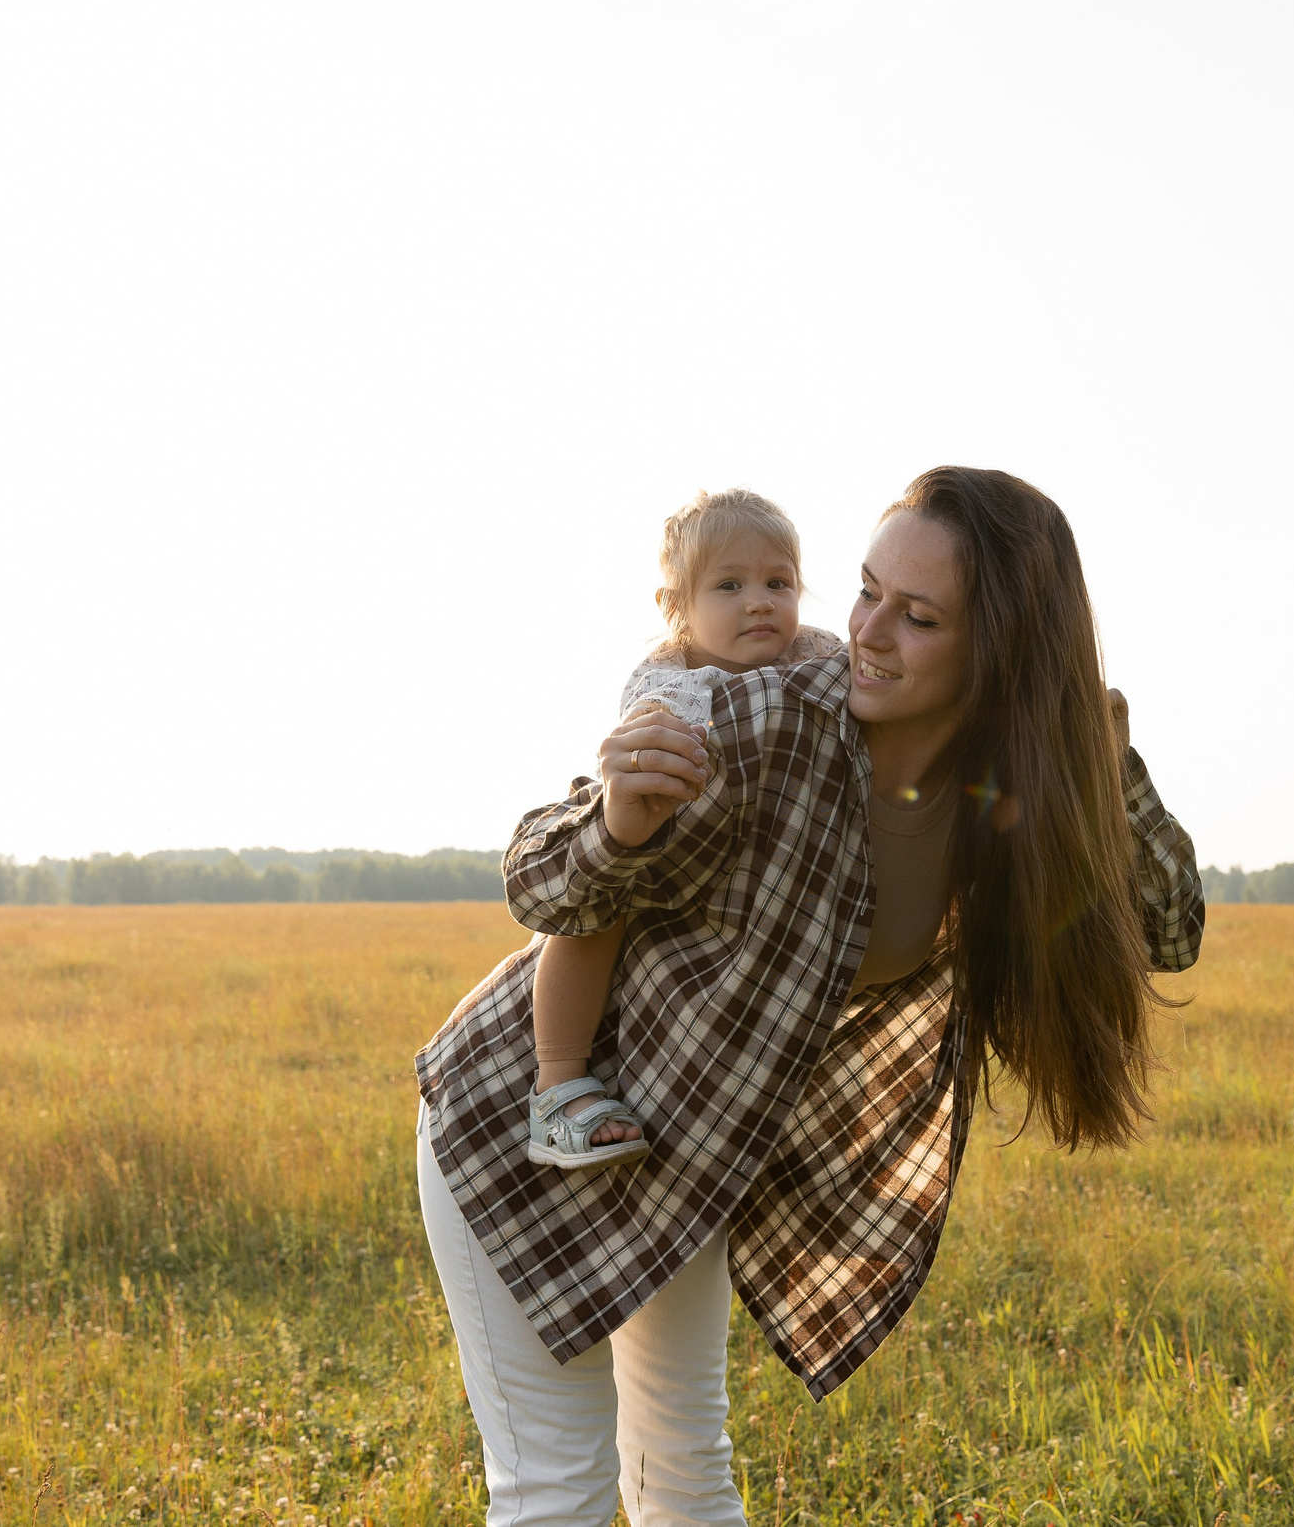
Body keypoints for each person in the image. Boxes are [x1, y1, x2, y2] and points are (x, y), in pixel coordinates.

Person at [414, 465, 1206, 1527]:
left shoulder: (996, 800)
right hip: (519, 1118)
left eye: (918, 616)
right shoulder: (766, 719)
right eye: (867, 590)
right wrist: (617, 821)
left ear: (1003, 653)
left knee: (684, 1470)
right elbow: (537, 880)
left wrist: (1112, 774)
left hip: (679, 1152)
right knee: (559, 1487)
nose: (867, 632)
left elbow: (1167, 932)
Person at [527, 487, 844, 1171]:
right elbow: (655, 765)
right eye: (728, 584)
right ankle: (557, 1081)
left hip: (754, 876)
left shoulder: (818, 657)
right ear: (677, 610)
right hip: (666, 837)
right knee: (597, 911)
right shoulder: (670, 682)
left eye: (777, 581)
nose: (759, 600)